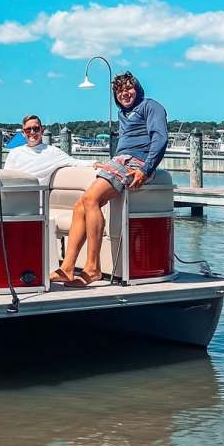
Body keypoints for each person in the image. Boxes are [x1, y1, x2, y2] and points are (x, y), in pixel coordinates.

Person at [53, 71, 168, 287]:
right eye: (119, 91)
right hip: (119, 161)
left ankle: (93, 268)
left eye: (128, 89)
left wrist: (146, 168)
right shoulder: (123, 114)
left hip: (135, 163)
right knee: (80, 206)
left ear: (138, 89)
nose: (124, 94)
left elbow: (160, 138)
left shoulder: (150, 106)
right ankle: (67, 268)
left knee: (90, 200)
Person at [4, 114, 93, 185]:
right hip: (13, 197)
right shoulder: (14, 153)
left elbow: (75, 162)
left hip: (35, 201)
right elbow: (5, 178)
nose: (32, 132)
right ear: (23, 133)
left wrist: (95, 163)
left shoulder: (53, 152)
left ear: (42, 131)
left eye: (36, 129)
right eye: (28, 130)